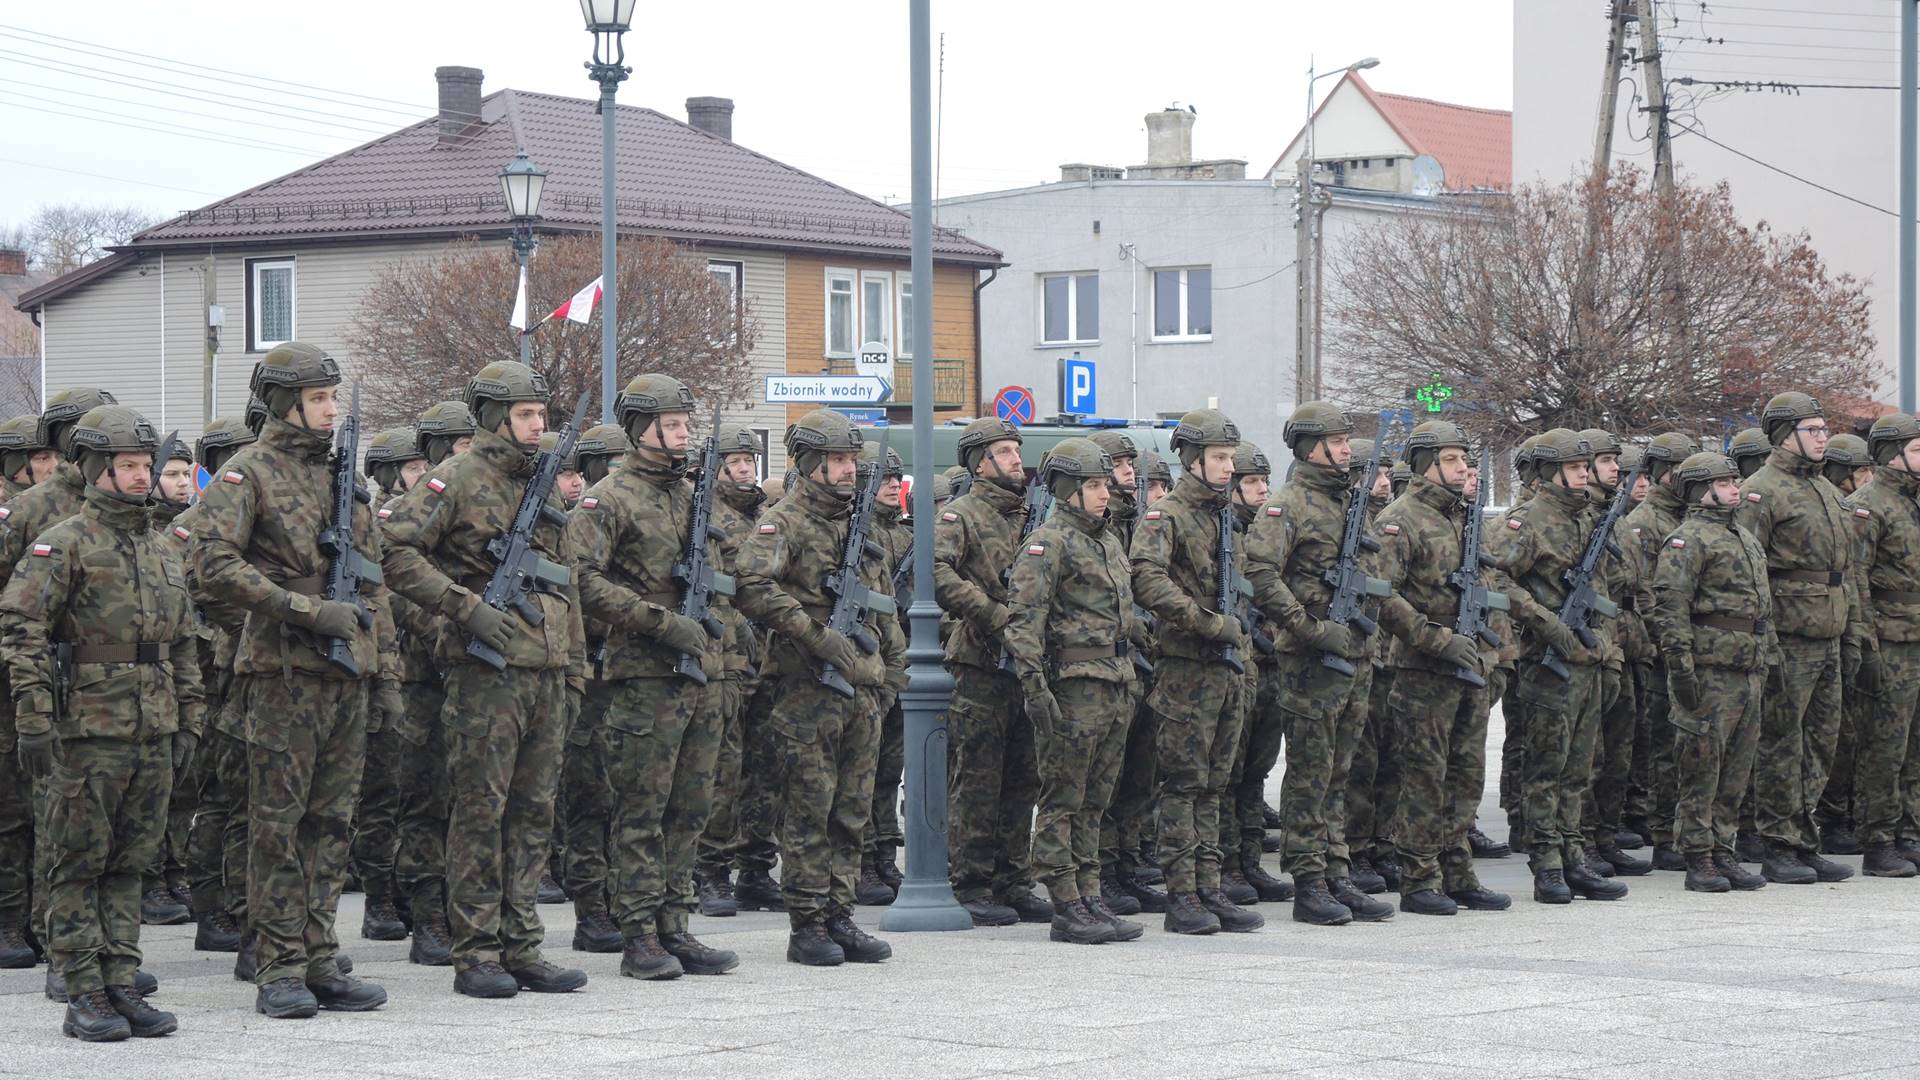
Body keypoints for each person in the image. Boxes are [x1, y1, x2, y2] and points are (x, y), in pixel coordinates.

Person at [191, 346, 394, 1018]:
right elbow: (211, 561)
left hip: (345, 673)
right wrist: (301, 609)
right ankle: (277, 964)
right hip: (282, 673)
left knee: (331, 823)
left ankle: (316, 952)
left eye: (333, 397)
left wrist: (382, 669)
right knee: (278, 825)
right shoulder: (248, 472)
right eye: (317, 398)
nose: (330, 409)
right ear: (283, 403)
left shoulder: (341, 478)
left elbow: (373, 580)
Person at [378, 360, 588, 998]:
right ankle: (477, 951)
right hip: (485, 672)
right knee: (480, 812)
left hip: (546, 671)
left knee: (532, 814)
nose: (537, 426)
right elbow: (393, 550)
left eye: (541, 416)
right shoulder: (457, 476)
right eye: (525, 415)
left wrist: (574, 667)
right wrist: (462, 606)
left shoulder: (543, 484)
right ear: (495, 417)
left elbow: (566, 581)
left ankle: (522, 944)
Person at [0, 405, 200, 1041]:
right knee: (78, 863)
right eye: (129, 466)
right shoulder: (64, 541)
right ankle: (82, 989)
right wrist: (34, 715)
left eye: (147, 465)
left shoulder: (162, 549)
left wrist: (190, 716)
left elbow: (184, 640)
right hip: (85, 730)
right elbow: (21, 628)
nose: (144, 477)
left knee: (130, 864)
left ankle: (120, 981)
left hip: (153, 727)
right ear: (95, 469)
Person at [568, 374, 735, 980]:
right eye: (673, 424)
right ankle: (638, 932)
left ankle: (676, 923)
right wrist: (659, 623)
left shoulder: (693, 496)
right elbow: (581, 580)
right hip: (644, 673)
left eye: (687, 424)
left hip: (701, 674)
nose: (684, 434)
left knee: (691, 806)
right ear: (643, 430)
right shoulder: (607, 498)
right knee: (642, 806)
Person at [733, 409, 899, 966]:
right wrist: (814, 634)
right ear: (808, 464)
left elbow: (885, 610)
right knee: (809, 809)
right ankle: (807, 922)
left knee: (851, 812)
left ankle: (840, 914)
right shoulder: (784, 523)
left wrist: (890, 674)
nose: (849, 469)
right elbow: (752, 584)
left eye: (852, 459)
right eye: (837, 460)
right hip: (807, 686)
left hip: (863, 689)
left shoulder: (862, 526)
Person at [0, 388, 132, 995]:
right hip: (29, 681)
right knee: (25, 813)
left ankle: (90, 950)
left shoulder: (124, 511)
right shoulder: (33, 510)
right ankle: (29, 930)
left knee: (87, 825)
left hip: (100, 691)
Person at [1247, 404, 1392, 926]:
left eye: (1346, 439)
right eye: (1335, 440)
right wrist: (1309, 628)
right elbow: (1261, 574)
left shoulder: (1349, 502)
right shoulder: (1289, 505)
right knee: (1310, 771)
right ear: (1311, 447)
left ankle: (1336, 871)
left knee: (1340, 771)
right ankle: (1308, 880)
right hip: (1312, 658)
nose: (1346, 448)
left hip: (1355, 653)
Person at [1368, 421, 1510, 915]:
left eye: (1464, 460)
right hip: (1423, 668)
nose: (1462, 468)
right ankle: (1419, 876)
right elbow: (1383, 595)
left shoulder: (1465, 517)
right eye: (1451, 460)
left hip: (1471, 665)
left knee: (1466, 775)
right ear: (1426, 464)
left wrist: (1489, 651)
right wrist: (1436, 639)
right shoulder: (1399, 518)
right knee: (1424, 776)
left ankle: (1458, 869)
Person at [1005, 438, 1143, 944]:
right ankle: (1064, 901)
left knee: (1095, 800)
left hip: (1115, 683)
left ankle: (1089, 894)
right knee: (1064, 797)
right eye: (1091, 485)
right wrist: (1035, 690)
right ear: (1066, 490)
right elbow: (1023, 623)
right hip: (1074, 687)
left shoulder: (1106, 540)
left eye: (1104, 484)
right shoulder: (1049, 542)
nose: (1103, 493)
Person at [1132, 408, 1264, 935]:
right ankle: (1182, 894)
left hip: (1228, 668)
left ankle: (1210, 886)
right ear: (1192, 461)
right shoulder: (1168, 515)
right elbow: (1145, 577)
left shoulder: (1222, 515)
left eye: (1231, 458)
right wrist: (1205, 623)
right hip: (1188, 667)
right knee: (1184, 786)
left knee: (1216, 784)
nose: (1229, 468)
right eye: (1219, 458)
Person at [1490, 428, 1630, 905]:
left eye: (1586, 468)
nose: (1584, 476)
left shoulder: (1589, 518)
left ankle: (1574, 853)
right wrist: (1546, 623)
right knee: (1546, 767)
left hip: (1589, 657)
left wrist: (1608, 650)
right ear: (1551, 471)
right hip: (1548, 661)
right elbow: (1498, 578)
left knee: (1580, 766)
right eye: (1575, 468)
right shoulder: (1530, 520)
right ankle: (1547, 862)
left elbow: (1608, 591)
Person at [1735, 392, 1864, 885]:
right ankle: (1777, 843)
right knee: (1781, 744)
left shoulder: (1827, 491)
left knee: (1820, 743)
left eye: (1822, 429)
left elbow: (1845, 570)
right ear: (1783, 435)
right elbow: (1749, 571)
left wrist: (1852, 633)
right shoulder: (1761, 490)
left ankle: (1804, 836)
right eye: (1812, 429)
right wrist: (1763, 640)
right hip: (1788, 637)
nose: (1822, 437)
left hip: (1829, 632)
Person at [1647, 451, 1776, 893]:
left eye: (1733, 481)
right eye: (1724, 483)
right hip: (1709, 669)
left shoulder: (1744, 536)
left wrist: (1769, 656)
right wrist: (1681, 668)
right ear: (1702, 491)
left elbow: (1763, 606)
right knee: (1701, 766)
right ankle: (1698, 856)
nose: (1734, 488)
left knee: (1737, 768)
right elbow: (1671, 609)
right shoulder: (1688, 540)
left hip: (1747, 667)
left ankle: (1724, 849)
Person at [933, 417, 1045, 926]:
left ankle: (1014, 878)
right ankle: (972, 880)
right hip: (980, 660)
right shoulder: (961, 516)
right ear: (980, 461)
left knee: (1024, 776)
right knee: (978, 776)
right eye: (1004, 451)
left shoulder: (1034, 515)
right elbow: (935, 572)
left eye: (1016, 449)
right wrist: (995, 615)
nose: (1016, 458)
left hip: (1028, 662)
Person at [387, 403, 477, 967]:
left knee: (472, 797)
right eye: (460, 443)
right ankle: (426, 914)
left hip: (480, 675)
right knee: (426, 798)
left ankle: (463, 909)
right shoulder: (407, 512)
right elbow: (394, 590)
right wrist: (452, 622)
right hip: (425, 676)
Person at [351, 429, 431, 946]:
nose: (421, 476)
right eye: (410, 468)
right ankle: (379, 895)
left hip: (422, 672)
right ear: (386, 474)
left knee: (416, 792)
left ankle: (409, 888)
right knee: (381, 793)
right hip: (391, 667)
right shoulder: (377, 522)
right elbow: (387, 596)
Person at [179, 417, 256, 957]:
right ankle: (211, 907)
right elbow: (183, 605)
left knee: (249, 799)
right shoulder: (189, 526)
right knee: (216, 797)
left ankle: (242, 905)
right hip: (211, 677)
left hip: (254, 675)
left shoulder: (259, 522)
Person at [693, 425, 768, 916]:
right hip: (725, 656)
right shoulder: (705, 514)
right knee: (722, 768)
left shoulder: (766, 515)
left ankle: (757, 869)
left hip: (769, 657)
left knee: (765, 772)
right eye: (736, 461)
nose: (745, 468)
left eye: (750, 460)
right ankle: (711, 871)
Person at [1842, 414, 1920, 876]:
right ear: (1893, 455)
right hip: (1889, 642)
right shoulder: (1867, 505)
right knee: (1884, 748)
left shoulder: (1913, 502)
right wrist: (1866, 648)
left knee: (1915, 746)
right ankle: (1878, 840)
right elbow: (1856, 582)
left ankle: (1909, 832)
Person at [1573, 428, 1652, 880]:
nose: (1611, 470)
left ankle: (1604, 836)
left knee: (1619, 749)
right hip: (1591, 642)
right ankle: (1580, 841)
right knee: (1589, 752)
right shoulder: (1581, 517)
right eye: (1604, 462)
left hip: (1622, 642)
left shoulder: (1617, 518)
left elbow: (1636, 588)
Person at [1619, 433, 1698, 870]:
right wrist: (1664, 642)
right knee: (1664, 747)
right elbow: (1646, 593)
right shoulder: (1646, 522)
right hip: (1658, 648)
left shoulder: (1693, 518)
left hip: (1686, 646)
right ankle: (1665, 832)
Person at [1222, 441, 1291, 905]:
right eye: (1251, 482)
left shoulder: (1267, 532)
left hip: (1269, 664)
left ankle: (1248, 861)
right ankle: (1227, 865)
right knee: (1227, 773)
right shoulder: (1223, 532)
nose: (1262, 490)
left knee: (1256, 772)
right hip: (1237, 662)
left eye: (1264, 481)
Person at [137, 438, 199, 929]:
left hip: (187, 665)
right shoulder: (153, 535)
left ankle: (175, 871)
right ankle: (151, 879)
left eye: (187, 474)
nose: (182, 484)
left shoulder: (192, 528)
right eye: (173, 474)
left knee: (184, 785)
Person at [856, 440, 911, 907]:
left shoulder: (905, 535)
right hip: (866, 657)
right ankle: (861, 861)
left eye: (897, 478)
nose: (894, 486)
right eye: (884, 479)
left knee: (889, 770)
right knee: (865, 770)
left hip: (901, 658)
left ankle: (882, 858)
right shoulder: (859, 532)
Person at [1815, 431, 1874, 855]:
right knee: (1838, 735)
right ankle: (1833, 817)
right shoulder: (1850, 510)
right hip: (1823, 629)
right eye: (1860, 472)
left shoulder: (1839, 506)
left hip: (1845, 627)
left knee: (1846, 733)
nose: (1868, 478)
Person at [0, 414, 54, 498]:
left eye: (58, 457)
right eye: (43, 459)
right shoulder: (8, 509)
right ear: (12, 469)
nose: (56, 467)